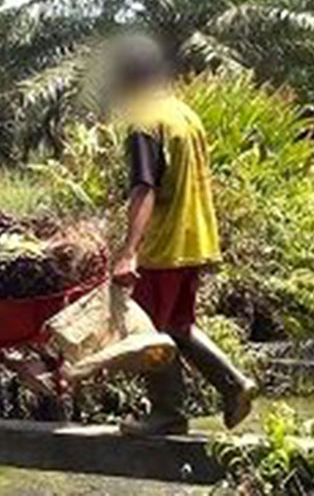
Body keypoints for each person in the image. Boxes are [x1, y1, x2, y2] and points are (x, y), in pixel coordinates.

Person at [108, 34, 257, 436]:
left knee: (150, 330)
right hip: (195, 240)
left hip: (164, 246)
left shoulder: (144, 122)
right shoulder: (183, 114)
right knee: (177, 324)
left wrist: (128, 251)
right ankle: (234, 385)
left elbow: (144, 188)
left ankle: (167, 413)